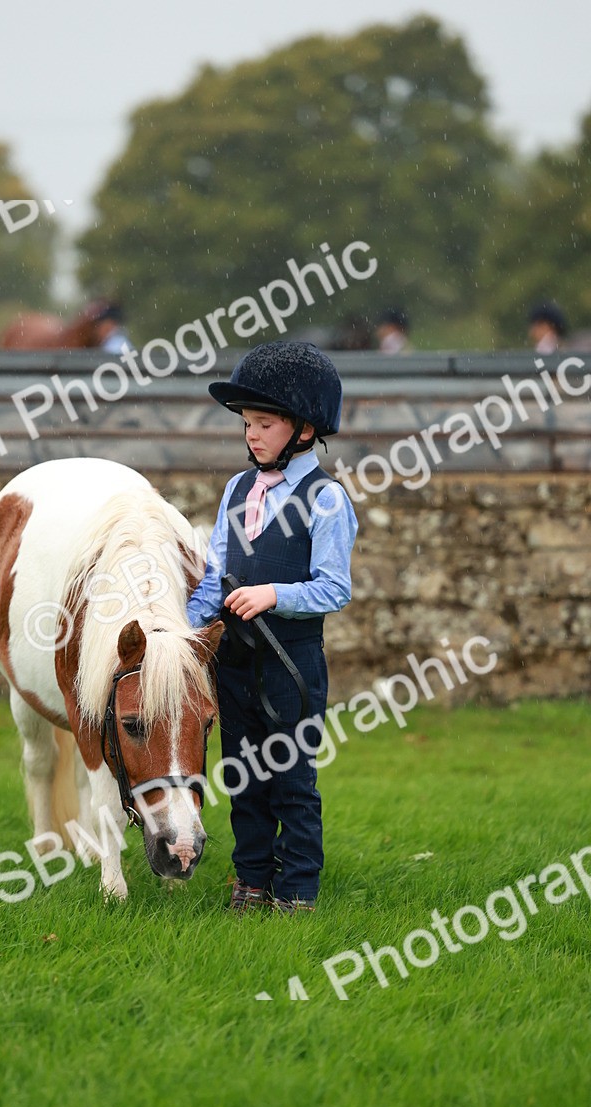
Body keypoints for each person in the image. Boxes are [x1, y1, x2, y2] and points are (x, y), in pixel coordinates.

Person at [187, 340, 358, 913]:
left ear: (305, 429)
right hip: (235, 661)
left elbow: (335, 588)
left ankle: (298, 889)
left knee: (291, 782)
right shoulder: (237, 489)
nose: (251, 435)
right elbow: (216, 576)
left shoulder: (327, 499)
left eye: (265, 423)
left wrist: (273, 594)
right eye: (248, 424)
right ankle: (252, 880)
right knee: (243, 779)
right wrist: (184, 633)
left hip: (292, 663)